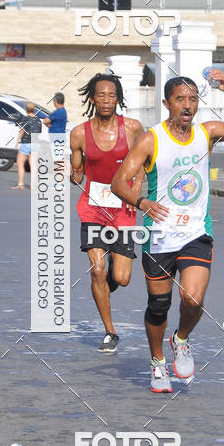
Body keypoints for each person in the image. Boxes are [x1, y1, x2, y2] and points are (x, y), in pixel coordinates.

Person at [111, 70, 224, 394]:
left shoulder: (207, 133)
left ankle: (181, 339)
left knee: (192, 298)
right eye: (181, 99)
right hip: (160, 235)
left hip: (196, 231)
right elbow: (119, 182)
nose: (188, 105)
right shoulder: (151, 139)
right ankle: (157, 362)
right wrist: (142, 202)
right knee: (159, 305)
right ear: (167, 103)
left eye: (193, 99)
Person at [70, 73, 144, 353]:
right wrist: (68, 173)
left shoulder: (133, 128)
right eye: (100, 95)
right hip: (93, 208)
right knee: (96, 270)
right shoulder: (79, 133)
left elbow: (145, 161)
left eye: (111, 95)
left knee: (122, 278)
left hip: (123, 208)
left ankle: (107, 278)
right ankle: (110, 332)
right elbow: (77, 175)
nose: (106, 100)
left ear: (118, 99)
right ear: (92, 98)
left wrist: (135, 189)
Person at [12, 101, 42, 189]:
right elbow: (39, 132)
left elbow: (22, 131)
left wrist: (17, 142)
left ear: (26, 109)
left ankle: (20, 183)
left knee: (20, 163)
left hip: (26, 143)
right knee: (33, 165)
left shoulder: (25, 119)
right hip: (35, 143)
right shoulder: (38, 119)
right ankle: (32, 184)